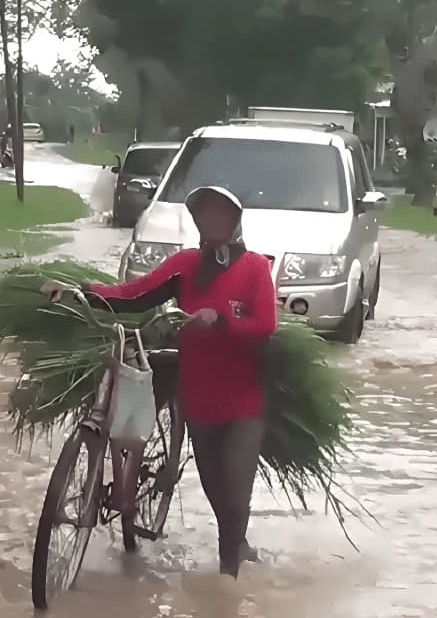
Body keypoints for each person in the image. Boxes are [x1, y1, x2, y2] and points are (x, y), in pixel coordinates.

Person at [49, 186, 277, 581]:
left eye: (221, 213)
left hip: (244, 400)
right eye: (204, 214)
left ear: (235, 220)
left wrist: (220, 319)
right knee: (217, 492)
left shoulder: (256, 268)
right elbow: (134, 295)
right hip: (199, 400)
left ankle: (227, 582)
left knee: (237, 494)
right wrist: (83, 293)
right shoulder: (186, 265)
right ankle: (235, 546)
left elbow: (265, 325)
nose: (213, 220)